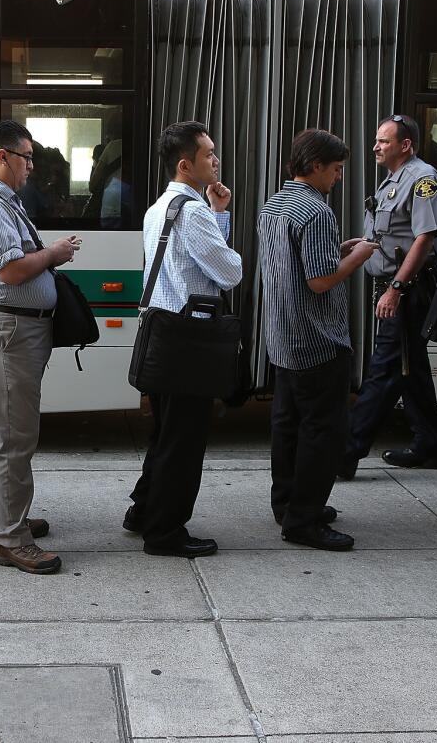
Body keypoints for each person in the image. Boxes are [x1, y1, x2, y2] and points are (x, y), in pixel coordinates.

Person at [0, 120, 80, 574]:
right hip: (10, 332)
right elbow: (11, 272)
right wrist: (53, 253)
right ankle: (9, 540)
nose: (33, 165)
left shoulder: (4, 202)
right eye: (27, 156)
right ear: (3, 156)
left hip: (15, 330)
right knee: (15, 437)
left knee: (2, 430)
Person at [123, 121, 242, 558]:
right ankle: (165, 531)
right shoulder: (192, 212)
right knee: (184, 442)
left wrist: (218, 214)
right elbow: (229, 271)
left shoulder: (161, 207)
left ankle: (143, 511)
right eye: (209, 154)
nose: (216, 160)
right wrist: (220, 220)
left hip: (161, 333)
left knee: (166, 433)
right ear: (185, 164)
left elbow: (199, 261)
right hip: (187, 340)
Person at [258, 129, 378, 551]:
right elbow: (321, 279)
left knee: (286, 426)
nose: (339, 177)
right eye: (336, 169)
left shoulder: (275, 204)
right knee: (321, 432)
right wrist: (359, 256)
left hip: (283, 335)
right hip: (318, 338)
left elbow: (297, 264)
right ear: (315, 166)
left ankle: (287, 503)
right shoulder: (316, 211)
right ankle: (304, 520)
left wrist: (338, 249)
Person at [341, 114, 437, 478]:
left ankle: (346, 452)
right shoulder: (394, 180)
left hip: (409, 291)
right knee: (412, 369)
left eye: (384, 141)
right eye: (376, 140)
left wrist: (397, 289)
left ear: (405, 145)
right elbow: (398, 235)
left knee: (386, 370)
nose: (376, 146)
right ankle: (430, 445)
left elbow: (425, 238)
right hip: (397, 286)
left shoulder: (423, 180)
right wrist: (361, 245)